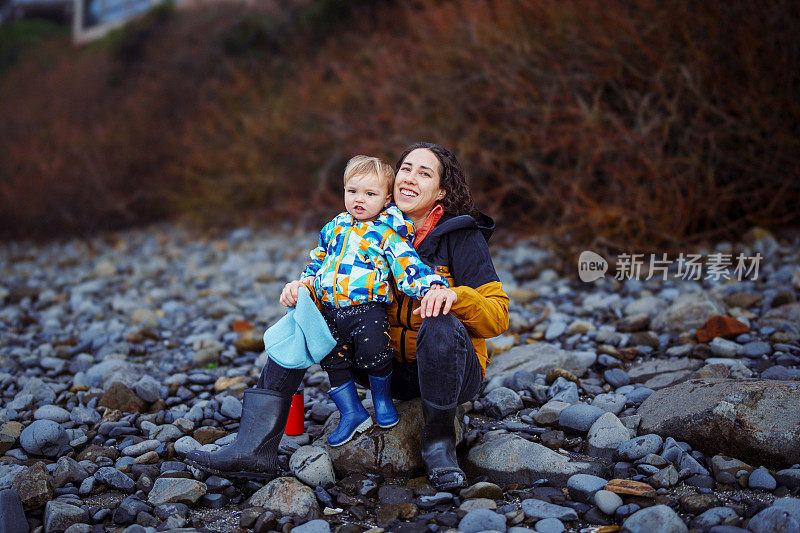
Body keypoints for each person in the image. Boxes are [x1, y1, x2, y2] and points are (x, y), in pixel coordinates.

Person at [187, 143, 509, 490]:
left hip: (450, 370)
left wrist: (453, 296)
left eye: (424, 172)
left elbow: (498, 316)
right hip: (382, 365)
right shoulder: (359, 227)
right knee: (303, 320)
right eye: (406, 168)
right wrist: (304, 288)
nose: (410, 178)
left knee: (440, 320)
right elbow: (331, 280)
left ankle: (439, 447)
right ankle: (252, 449)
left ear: (441, 190)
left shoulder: (461, 236)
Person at [285, 155, 447, 447]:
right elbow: (317, 262)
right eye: (352, 191)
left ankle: (382, 401)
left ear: (386, 198)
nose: (359, 200)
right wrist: (303, 283)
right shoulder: (333, 228)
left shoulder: (386, 233)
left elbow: (408, 266)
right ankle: (351, 412)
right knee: (332, 358)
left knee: (375, 352)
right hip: (332, 309)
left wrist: (432, 285)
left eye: (370, 194)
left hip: (367, 308)